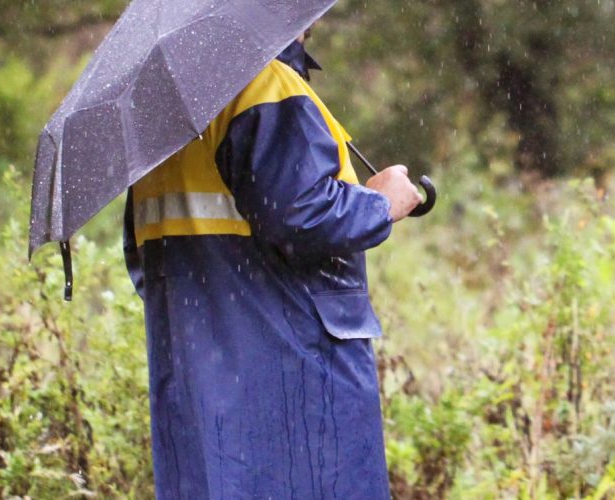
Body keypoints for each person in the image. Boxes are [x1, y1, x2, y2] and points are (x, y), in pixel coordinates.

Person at [121, 25, 420, 498]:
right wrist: (380, 204)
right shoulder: (264, 84)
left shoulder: (166, 109)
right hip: (294, 380)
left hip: (197, 383)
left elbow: (140, 255)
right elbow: (301, 217)